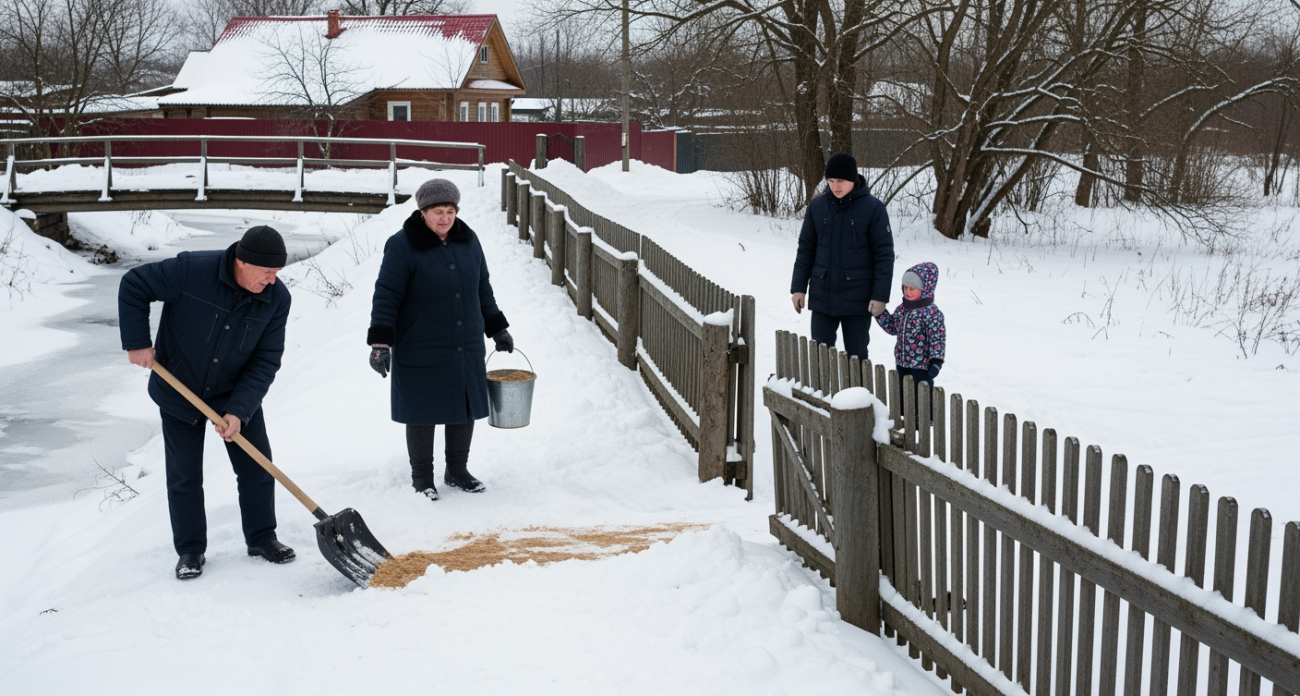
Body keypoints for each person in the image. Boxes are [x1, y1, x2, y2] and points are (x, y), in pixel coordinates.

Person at [118, 225, 295, 581]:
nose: (273, 281)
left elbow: (266, 360)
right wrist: (137, 340)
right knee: (184, 475)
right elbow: (134, 284)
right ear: (243, 263)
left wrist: (239, 410)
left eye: (277, 273)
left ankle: (262, 538)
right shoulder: (191, 271)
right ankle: (190, 550)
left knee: (257, 468)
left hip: (233, 393)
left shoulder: (277, 299)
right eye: (267, 272)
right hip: (179, 389)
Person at [367, 178, 513, 501]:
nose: (445, 218)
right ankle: (422, 478)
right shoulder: (402, 245)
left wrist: (497, 327)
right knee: (422, 411)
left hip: (466, 342)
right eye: (437, 211)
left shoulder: (468, 241)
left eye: (450, 211)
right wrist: (380, 343)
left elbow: (482, 288)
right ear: (422, 212)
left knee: (464, 407)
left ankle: (457, 470)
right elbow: (386, 296)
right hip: (420, 342)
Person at [790, 151, 895, 360]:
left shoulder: (873, 208)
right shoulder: (817, 207)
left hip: (857, 298)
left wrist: (880, 296)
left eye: (840, 181)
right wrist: (798, 288)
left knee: (856, 357)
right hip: (823, 294)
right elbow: (806, 249)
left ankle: (857, 393)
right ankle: (820, 393)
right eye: (830, 180)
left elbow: (884, 256)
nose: (835, 186)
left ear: (853, 179)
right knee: (820, 355)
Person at [875, 262, 946, 417]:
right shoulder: (902, 309)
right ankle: (904, 417)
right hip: (902, 361)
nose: (907, 291)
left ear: (925, 289)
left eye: (912, 288)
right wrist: (880, 314)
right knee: (903, 391)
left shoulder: (932, 313)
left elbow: (937, 339)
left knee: (921, 392)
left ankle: (925, 418)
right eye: (905, 287)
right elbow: (893, 327)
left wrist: (936, 361)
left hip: (922, 365)